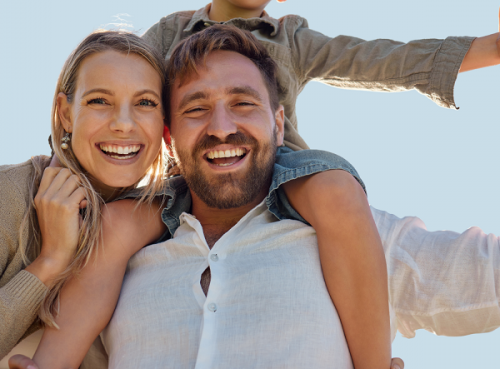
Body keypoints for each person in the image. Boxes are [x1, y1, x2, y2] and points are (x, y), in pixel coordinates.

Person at [140, 0, 500, 369]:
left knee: (335, 191)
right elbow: (118, 84)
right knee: (113, 228)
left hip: (281, 169)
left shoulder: (292, 38)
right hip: (186, 173)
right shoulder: (169, 32)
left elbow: (380, 59)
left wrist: (492, 48)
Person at [10, 27, 498, 369]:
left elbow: (481, 272)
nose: (221, 128)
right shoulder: (118, 243)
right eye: (196, 109)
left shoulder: (348, 234)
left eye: (243, 104)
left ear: (279, 124)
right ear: (169, 137)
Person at [0, 30, 169, 358]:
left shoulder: (167, 225)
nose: (123, 124)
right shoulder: (9, 194)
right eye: (99, 101)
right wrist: (50, 261)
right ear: (65, 113)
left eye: (145, 103)